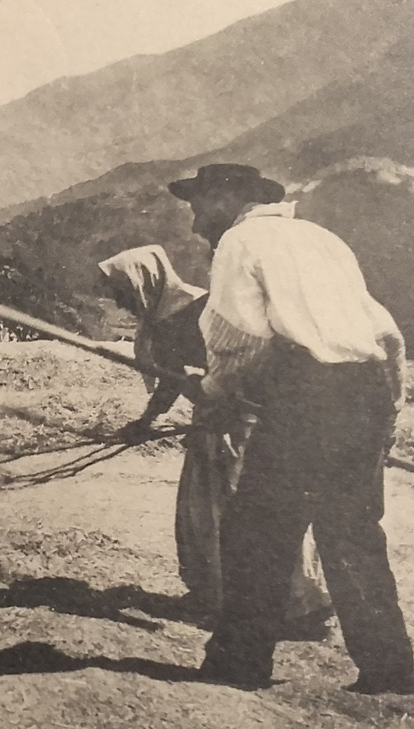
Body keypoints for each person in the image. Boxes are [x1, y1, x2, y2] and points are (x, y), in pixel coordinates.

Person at [165, 163, 414, 695]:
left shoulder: (241, 241)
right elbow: (387, 333)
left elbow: (240, 339)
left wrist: (212, 392)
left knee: (257, 531)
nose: (194, 224)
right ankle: (390, 673)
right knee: (352, 534)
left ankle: (239, 665)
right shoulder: (324, 240)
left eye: (197, 206)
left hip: (307, 398)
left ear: (225, 197)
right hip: (365, 394)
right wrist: (388, 412)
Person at [100, 245, 332, 637]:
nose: (120, 300)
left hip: (242, 420)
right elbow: (172, 381)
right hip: (212, 420)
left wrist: (215, 397)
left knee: (245, 511)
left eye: (122, 290)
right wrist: (146, 421)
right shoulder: (162, 319)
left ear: (143, 282)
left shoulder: (201, 308)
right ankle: (215, 594)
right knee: (203, 512)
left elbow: (248, 357)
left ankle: (296, 604)